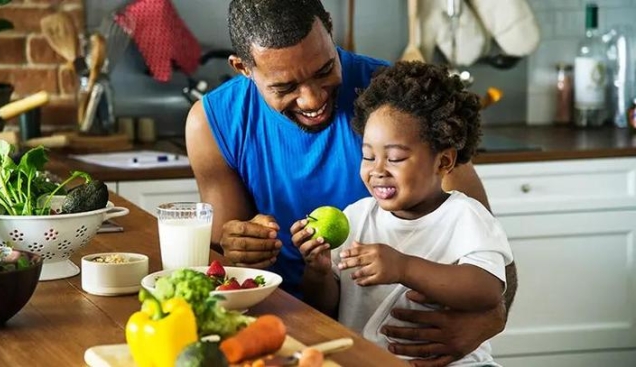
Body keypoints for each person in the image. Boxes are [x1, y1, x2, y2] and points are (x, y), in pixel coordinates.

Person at [185, 0, 518, 364]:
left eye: (325, 69)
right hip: (285, 334)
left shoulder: (398, 103)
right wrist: (240, 245)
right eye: (285, 86)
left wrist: (488, 321)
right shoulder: (213, 122)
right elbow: (222, 267)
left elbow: (494, 257)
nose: (312, 99)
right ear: (242, 68)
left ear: (330, 28)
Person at [291, 61, 513, 366]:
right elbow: (327, 307)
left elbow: (487, 291)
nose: (377, 170)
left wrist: (403, 267)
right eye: (368, 156)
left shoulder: (464, 216)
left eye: (395, 158)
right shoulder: (356, 217)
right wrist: (317, 271)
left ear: (443, 162)